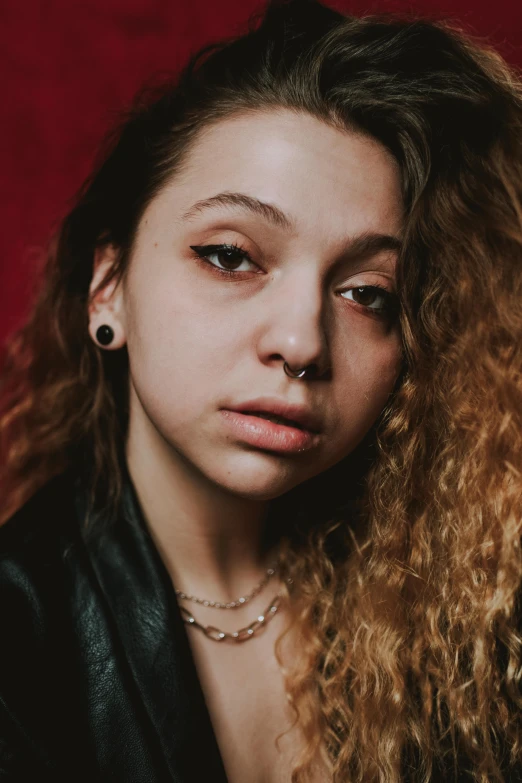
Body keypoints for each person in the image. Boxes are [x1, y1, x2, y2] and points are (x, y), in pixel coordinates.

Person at [1, 0, 521, 780]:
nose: (302, 341)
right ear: (108, 287)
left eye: (369, 293)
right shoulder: (20, 635)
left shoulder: (458, 609)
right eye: (230, 257)